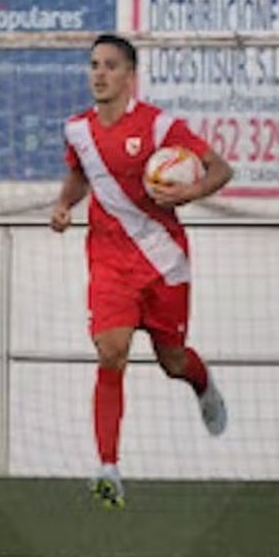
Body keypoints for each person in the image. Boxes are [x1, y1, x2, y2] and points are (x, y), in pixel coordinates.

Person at [50, 34, 232, 508]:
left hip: (164, 261)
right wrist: (64, 204)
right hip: (109, 261)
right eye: (93, 65)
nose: (99, 74)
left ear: (130, 75)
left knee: (172, 361)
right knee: (111, 352)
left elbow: (220, 169)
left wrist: (188, 193)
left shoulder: (160, 126)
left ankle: (202, 383)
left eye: (110, 66)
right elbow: (79, 175)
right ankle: (109, 468)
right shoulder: (77, 130)